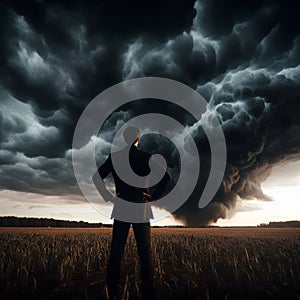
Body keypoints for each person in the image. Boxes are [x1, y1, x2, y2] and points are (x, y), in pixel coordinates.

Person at [93, 126, 170, 300]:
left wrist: (109, 197)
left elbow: (96, 177)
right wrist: (153, 197)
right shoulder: (145, 157)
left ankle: (111, 292)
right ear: (138, 140)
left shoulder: (115, 157)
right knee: (145, 253)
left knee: (116, 252)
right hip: (141, 208)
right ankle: (149, 293)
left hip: (121, 207)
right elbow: (166, 178)